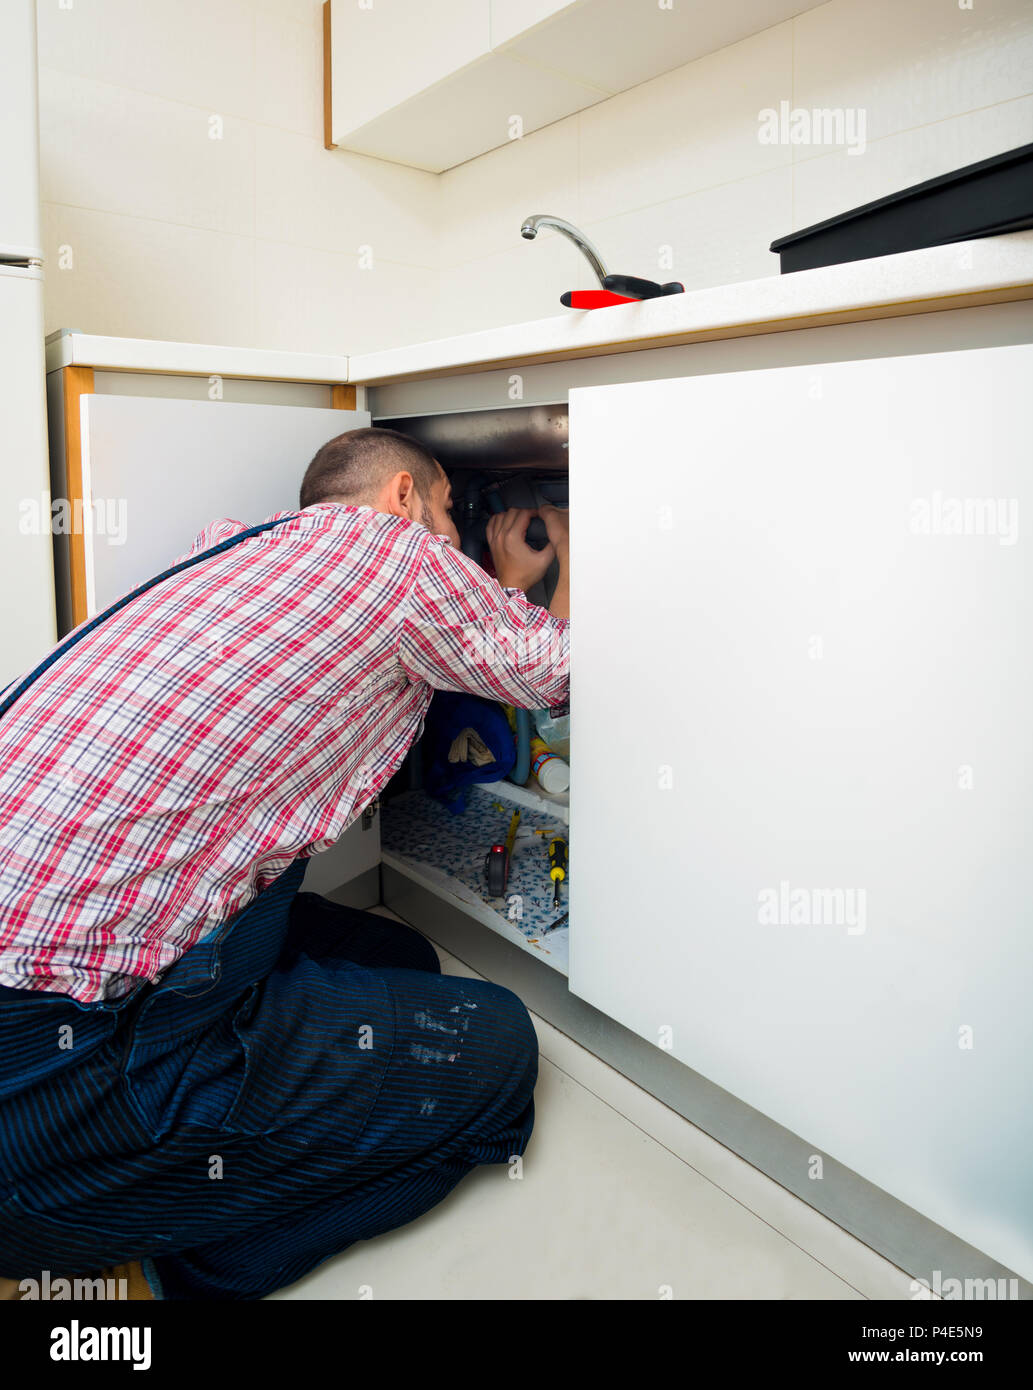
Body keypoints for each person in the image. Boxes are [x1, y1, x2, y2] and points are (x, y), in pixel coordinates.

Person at [0, 426, 569, 1300]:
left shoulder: (231, 546)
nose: (459, 537)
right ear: (405, 498)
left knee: (400, 956)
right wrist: (557, 556)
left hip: (56, 950)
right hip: (50, 1058)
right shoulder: (398, 552)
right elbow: (563, 673)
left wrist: (496, 592)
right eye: (454, 511)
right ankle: (186, 1257)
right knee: (495, 1051)